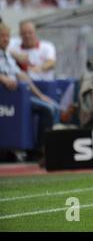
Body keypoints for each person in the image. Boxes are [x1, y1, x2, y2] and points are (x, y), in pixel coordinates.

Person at [0, 23, 59, 160]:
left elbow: (23, 76)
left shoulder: (7, 55)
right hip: (7, 98)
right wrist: (2, 78)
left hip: (18, 97)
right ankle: (39, 152)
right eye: (2, 37)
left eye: (7, 36)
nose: (6, 39)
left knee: (52, 106)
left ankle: (44, 148)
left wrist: (41, 95)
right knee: (47, 110)